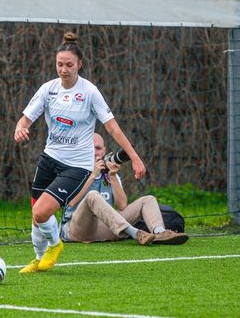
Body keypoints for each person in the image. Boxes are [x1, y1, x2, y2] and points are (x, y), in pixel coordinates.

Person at [14, 32, 146, 273]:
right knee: (36, 213)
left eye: (69, 65)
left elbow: (112, 127)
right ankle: (38, 260)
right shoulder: (48, 89)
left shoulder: (89, 92)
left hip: (76, 166)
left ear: (80, 65)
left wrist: (135, 158)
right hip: (49, 158)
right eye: (60, 64)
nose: (63, 70)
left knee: (41, 212)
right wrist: (20, 129)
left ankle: (55, 245)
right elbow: (25, 119)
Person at [60, 133, 189, 245]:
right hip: (76, 229)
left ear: (104, 151)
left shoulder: (109, 175)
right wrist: (93, 175)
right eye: (91, 147)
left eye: (98, 148)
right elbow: (70, 202)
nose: (95, 152)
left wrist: (112, 176)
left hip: (103, 228)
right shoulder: (74, 170)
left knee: (148, 199)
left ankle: (160, 233)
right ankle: (136, 233)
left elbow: (122, 206)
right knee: (92, 195)